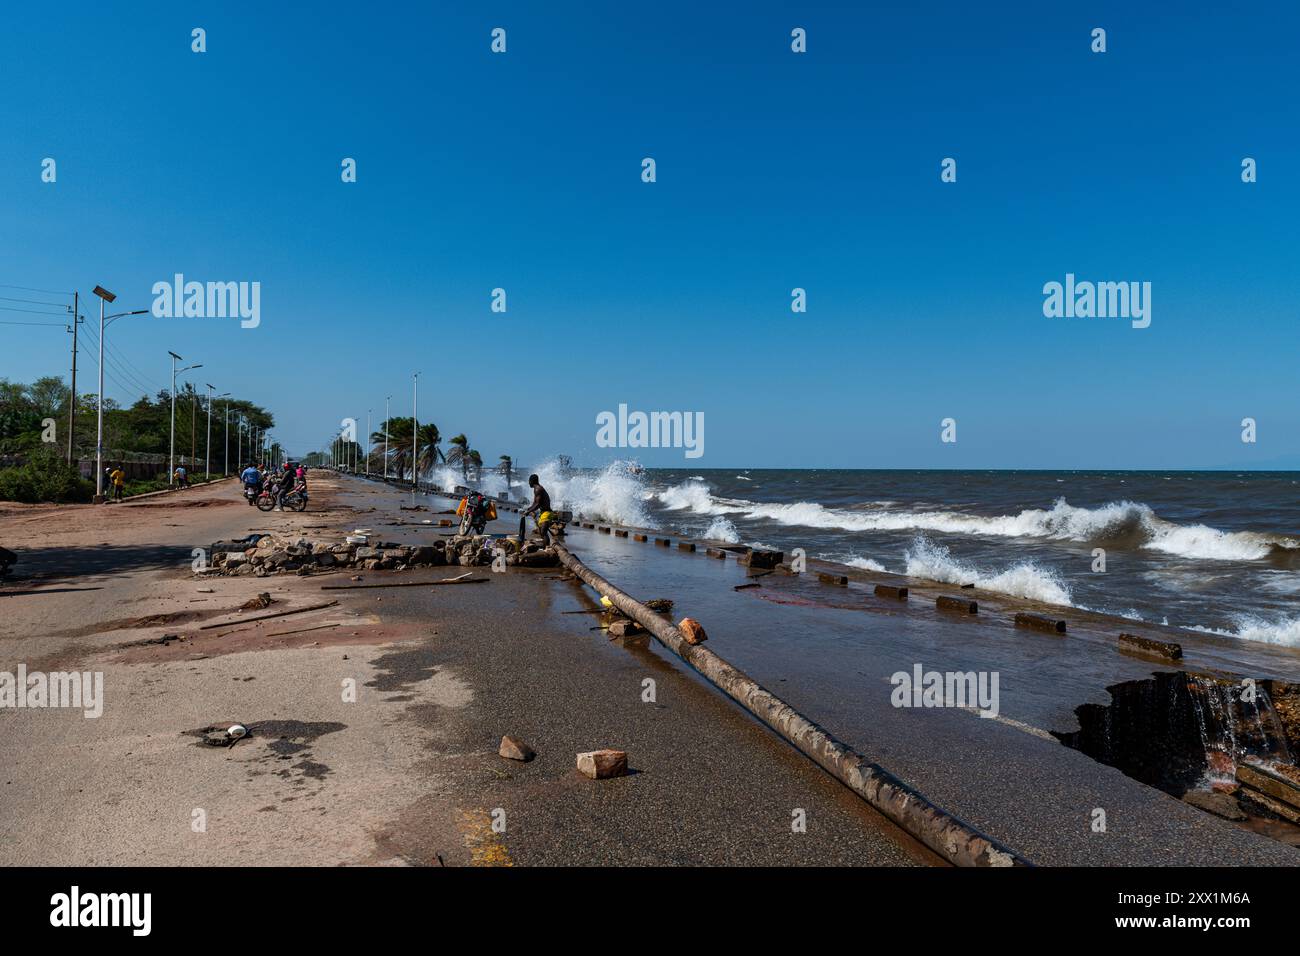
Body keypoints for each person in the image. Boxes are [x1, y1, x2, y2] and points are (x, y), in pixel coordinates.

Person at [522, 473, 554, 546]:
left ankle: (547, 548)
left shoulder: (538, 489)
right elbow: (535, 502)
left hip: (547, 513)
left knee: (543, 532)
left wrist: (528, 512)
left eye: (529, 481)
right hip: (543, 513)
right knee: (541, 531)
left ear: (532, 481)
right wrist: (529, 509)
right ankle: (545, 546)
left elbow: (538, 504)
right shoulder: (536, 489)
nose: (528, 483)